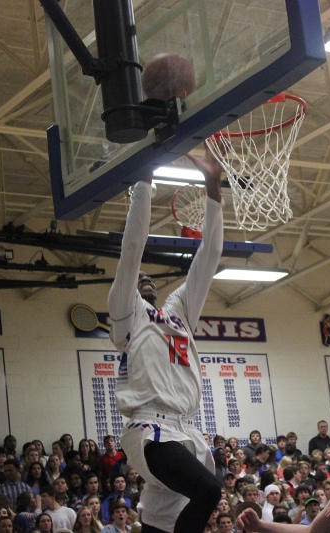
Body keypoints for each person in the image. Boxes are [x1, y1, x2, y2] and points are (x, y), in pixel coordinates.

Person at [106, 61, 223, 533]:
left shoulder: (176, 312)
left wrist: (213, 188)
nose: (145, 280)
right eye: (139, 280)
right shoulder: (127, 313)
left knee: (161, 525)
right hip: (151, 430)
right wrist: (144, 175)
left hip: (187, 430)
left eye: (150, 279)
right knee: (209, 491)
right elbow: (132, 247)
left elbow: (208, 257)